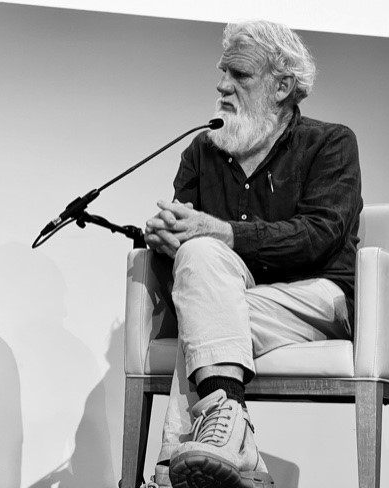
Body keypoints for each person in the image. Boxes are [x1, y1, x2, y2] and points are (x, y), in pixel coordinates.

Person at [144, 19, 362, 488]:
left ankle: (175, 465)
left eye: (239, 75)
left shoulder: (330, 143)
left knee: (202, 318)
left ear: (282, 86)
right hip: (229, 301)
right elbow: (191, 266)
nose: (221, 85)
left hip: (317, 299)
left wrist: (223, 233)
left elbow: (321, 234)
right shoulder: (202, 151)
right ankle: (230, 446)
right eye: (223, 72)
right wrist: (166, 244)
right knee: (200, 270)